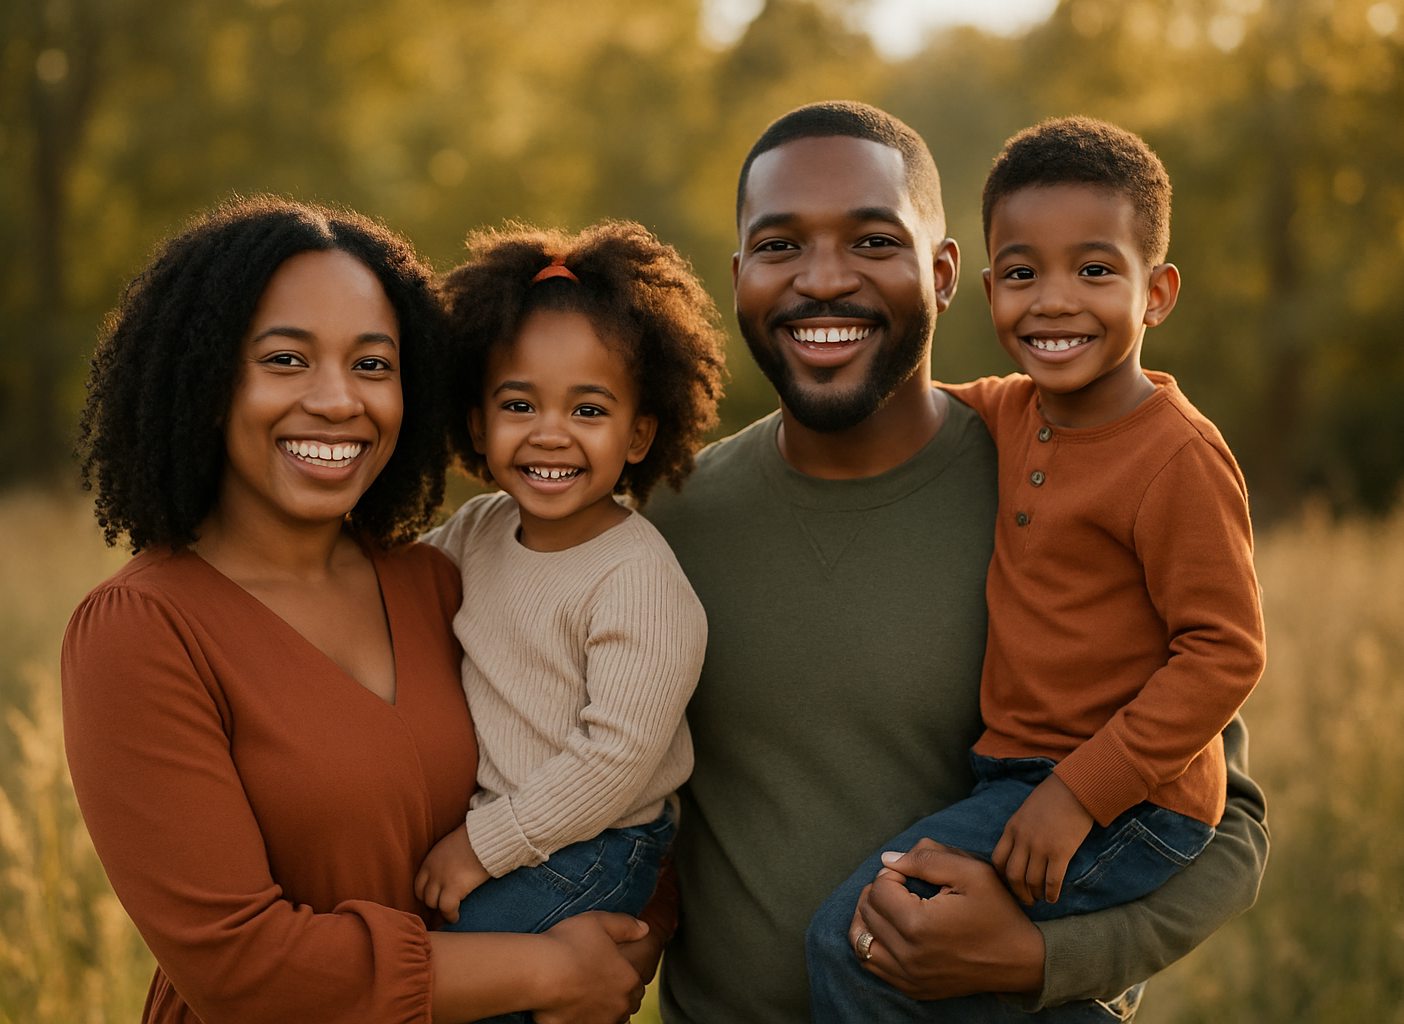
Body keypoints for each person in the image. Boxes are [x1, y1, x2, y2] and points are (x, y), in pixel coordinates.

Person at [642, 101, 1268, 1024]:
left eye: (872, 241)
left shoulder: (1050, 480)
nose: (824, 279)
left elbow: (1228, 825)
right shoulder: (667, 523)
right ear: (740, 278)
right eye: (780, 246)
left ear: (940, 276)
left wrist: (1040, 960)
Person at [62, 197, 658, 1024]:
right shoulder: (143, 630)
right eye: (286, 360)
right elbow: (242, 970)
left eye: (373, 365)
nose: (340, 401)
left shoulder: (441, 582)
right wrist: (547, 972)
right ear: (206, 380)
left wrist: (635, 937)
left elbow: (615, 780)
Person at [411, 225, 724, 979]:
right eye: (520, 406)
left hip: (595, 846)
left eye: (588, 411)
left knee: (447, 975)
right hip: (514, 830)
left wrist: (481, 846)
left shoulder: (637, 580)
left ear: (638, 435)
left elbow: (611, 762)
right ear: (478, 424)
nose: (551, 435)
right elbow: (396, 586)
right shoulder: (479, 529)